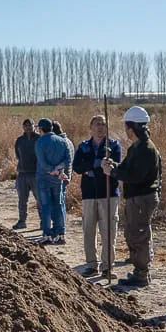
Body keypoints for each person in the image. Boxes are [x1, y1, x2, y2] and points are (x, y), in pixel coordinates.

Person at [103, 106, 161, 287]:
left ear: (132, 128)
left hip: (142, 197)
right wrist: (113, 164)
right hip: (138, 197)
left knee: (138, 235)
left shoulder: (145, 148)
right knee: (133, 233)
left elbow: (135, 176)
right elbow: (127, 168)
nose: (126, 131)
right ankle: (139, 271)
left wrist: (112, 173)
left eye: (127, 128)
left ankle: (142, 274)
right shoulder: (138, 147)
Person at [72, 115, 122, 278]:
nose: (100, 127)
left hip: (108, 194)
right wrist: (95, 165)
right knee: (88, 230)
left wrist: (94, 170)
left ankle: (108, 266)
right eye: (97, 124)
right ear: (91, 127)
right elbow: (77, 167)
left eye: (103, 124)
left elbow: (114, 166)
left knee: (108, 231)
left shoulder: (113, 146)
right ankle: (92, 265)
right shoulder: (84, 146)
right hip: (88, 193)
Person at [32, 117, 72, 244]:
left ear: (41, 128)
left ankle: (47, 234)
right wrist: (59, 169)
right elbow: (68, 159)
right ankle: (61, 234)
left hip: (44, 179)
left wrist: (52, 170)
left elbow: (42, 163)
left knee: (46, 206)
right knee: (59, 205)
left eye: (38, 127)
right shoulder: (62, 141)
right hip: (58, 178)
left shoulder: (40, 142)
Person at [13, 119, 39, 229]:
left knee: (40, 199)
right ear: (23, 127)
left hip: (36, 173)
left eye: (30, 125)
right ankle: (22, 220)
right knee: (22, 199)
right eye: (26, 125)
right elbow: (17, 155)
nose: (28, 127)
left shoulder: (39, 139)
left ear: (34, 126)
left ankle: (44, 221)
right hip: (22, 173)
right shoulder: (19, 140)